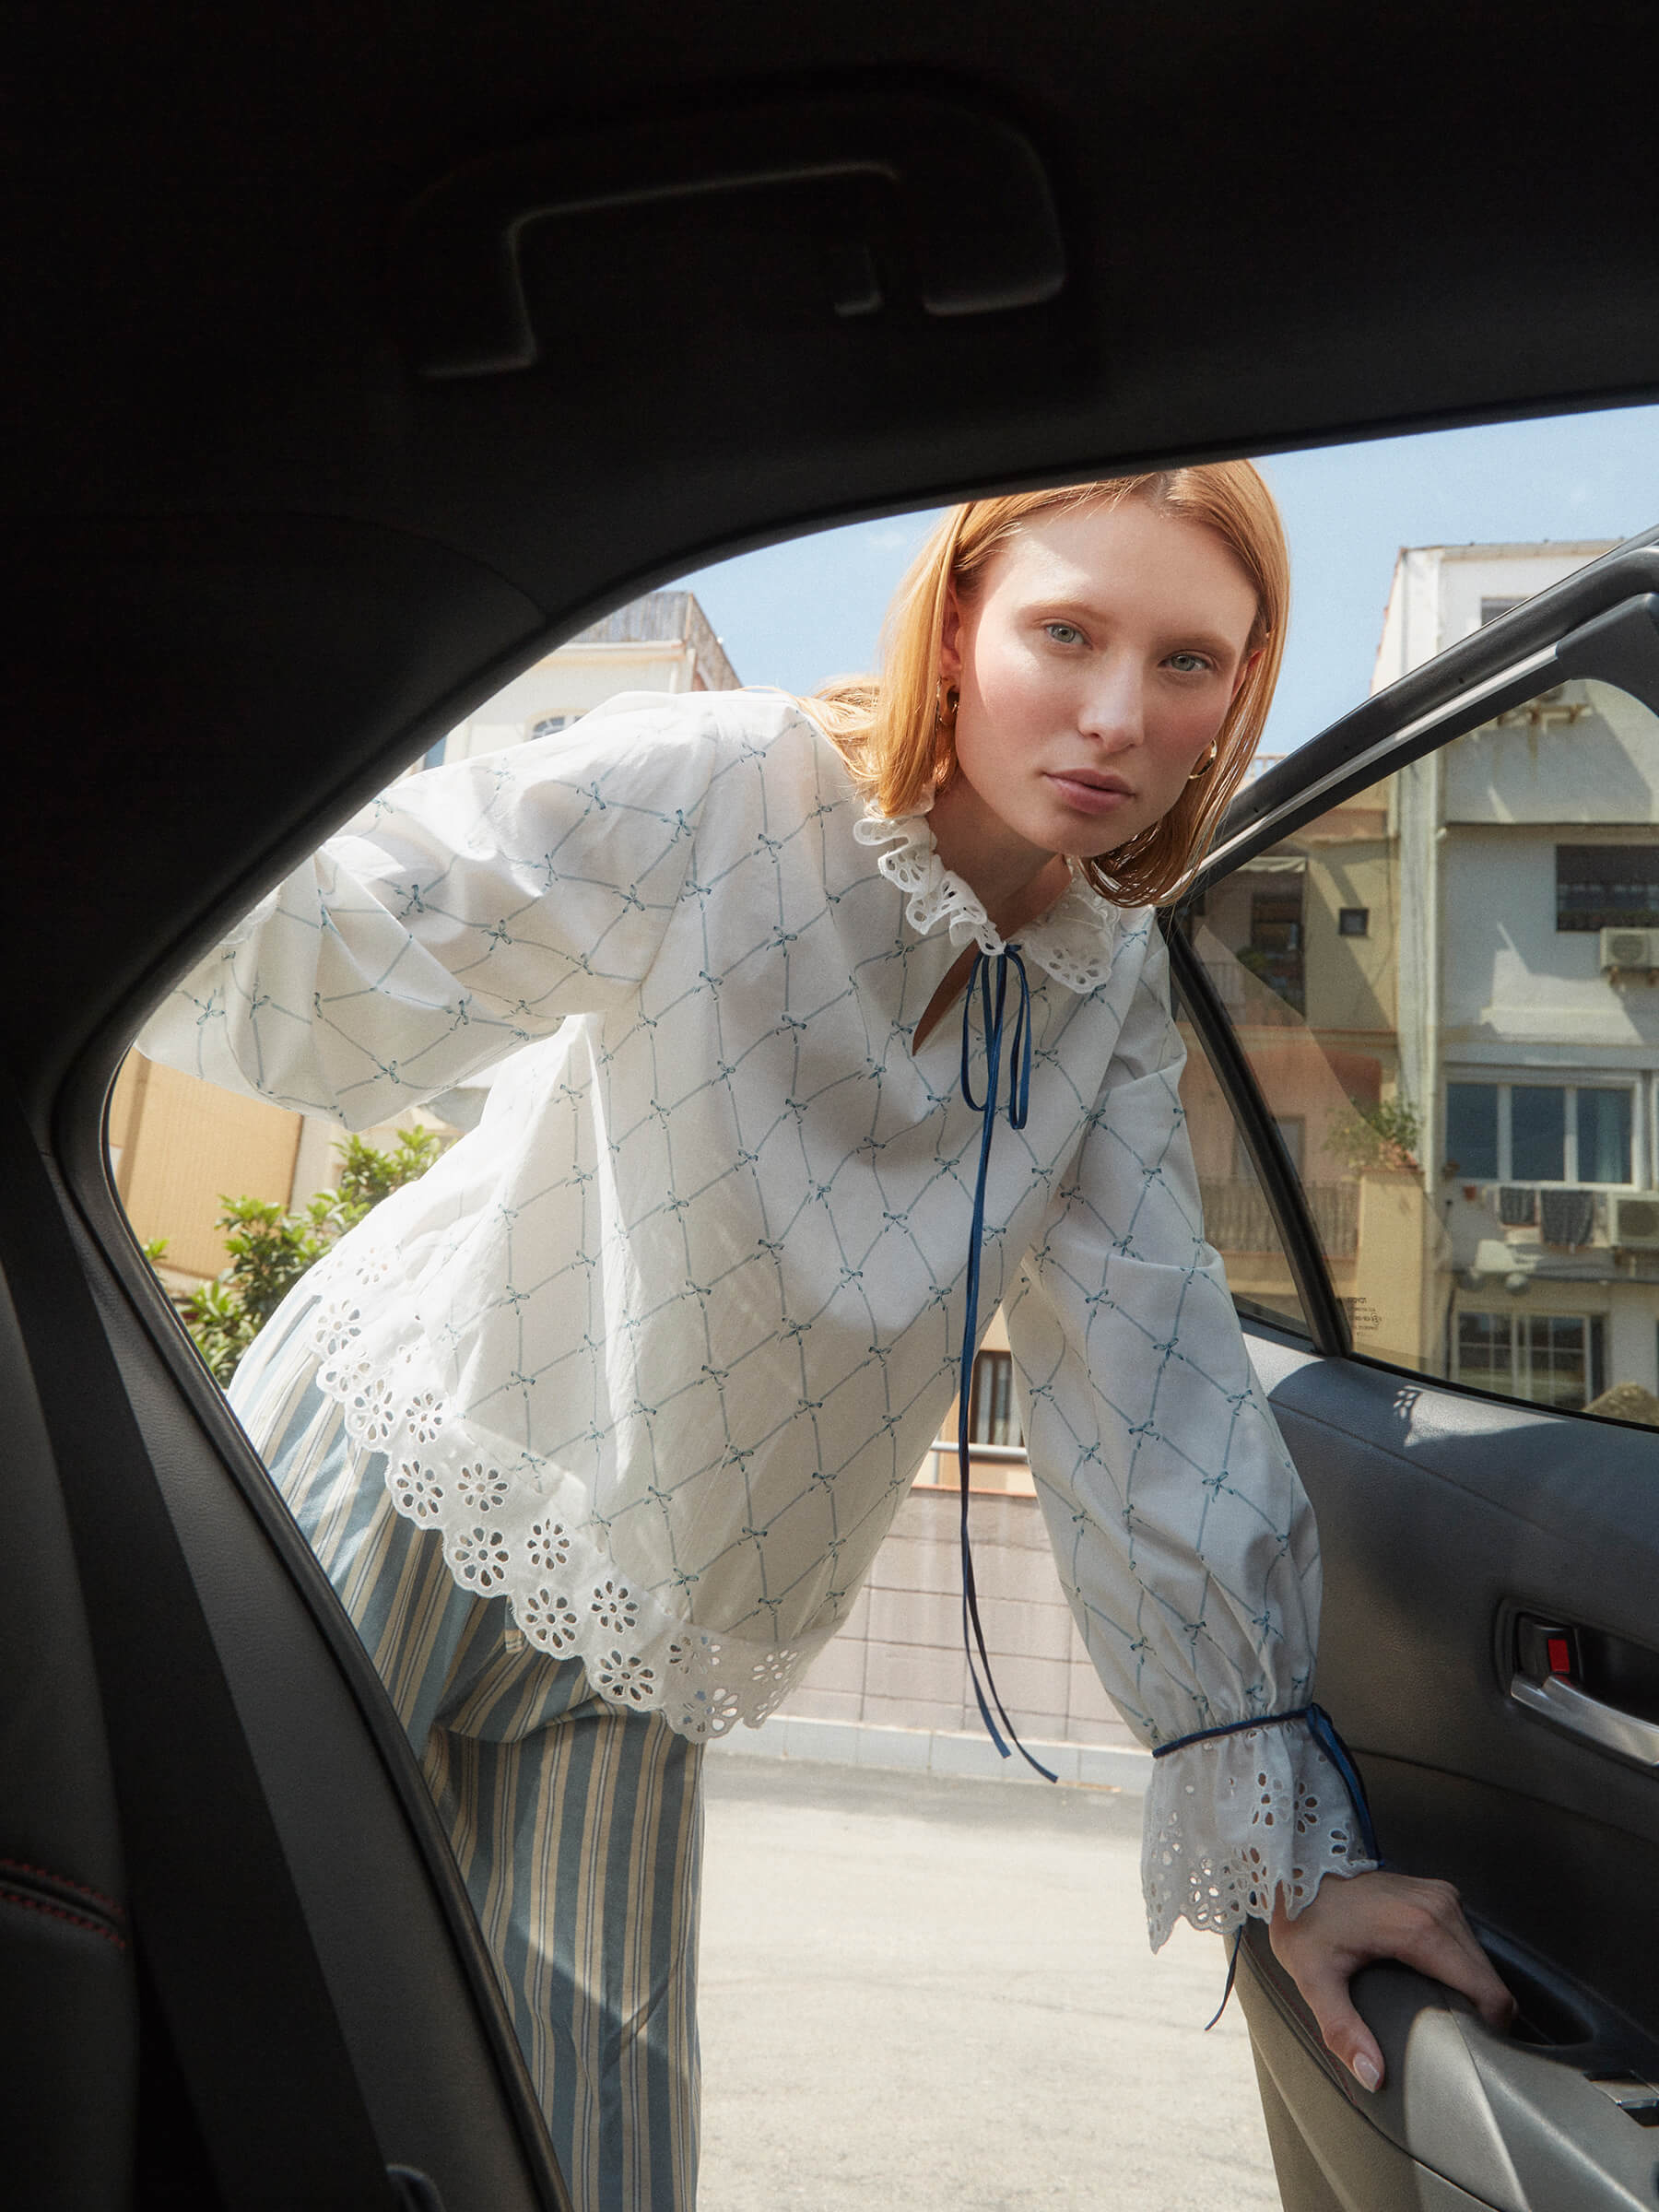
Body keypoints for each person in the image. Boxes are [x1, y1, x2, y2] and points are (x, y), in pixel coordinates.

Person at [139, 466, 1512, 2211]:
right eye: (1066, 633)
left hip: (660, 1620)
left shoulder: (1107, 988)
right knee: (205, 2028)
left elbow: (1148, 1387)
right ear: (955, 620)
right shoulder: (731, 786)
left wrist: (1287, 1862)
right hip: (410, 1466)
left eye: (1189, 663)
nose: (1117, 716)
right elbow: (359, 929)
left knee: (609, 2151)